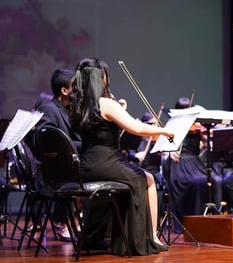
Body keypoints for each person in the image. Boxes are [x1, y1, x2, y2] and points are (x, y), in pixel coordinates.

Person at [68, 57, 174, 255]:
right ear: (101, 78)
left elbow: (102, 130)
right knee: (147, 179)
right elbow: (136, 128)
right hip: (106, 162)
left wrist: (120, 111)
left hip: (85, 167)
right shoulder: (107, 103)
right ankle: (150, 237)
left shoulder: (76, 105)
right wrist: (164, 131)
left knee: (138, 178)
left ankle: (122, 236)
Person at [35, 69, 82, 240]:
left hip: (68, 165)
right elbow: (46, 140)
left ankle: (91, 226)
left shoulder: (66, 109)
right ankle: (88, 226)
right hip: (56, 172)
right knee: (99, 171)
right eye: (75, 87)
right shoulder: (49, 109)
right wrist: (82, 146)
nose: (79, 90)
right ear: (64, 90)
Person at [162, 96, 219, 233]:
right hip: (178, 163)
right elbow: (165, 146)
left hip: (195, 162)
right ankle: (186, 221)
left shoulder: (197, 126)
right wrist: (169, 152)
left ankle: (205, 221)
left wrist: (205, 135)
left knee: (213, 180)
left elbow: (206, 143)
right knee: (192, 182)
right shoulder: (172, 126)